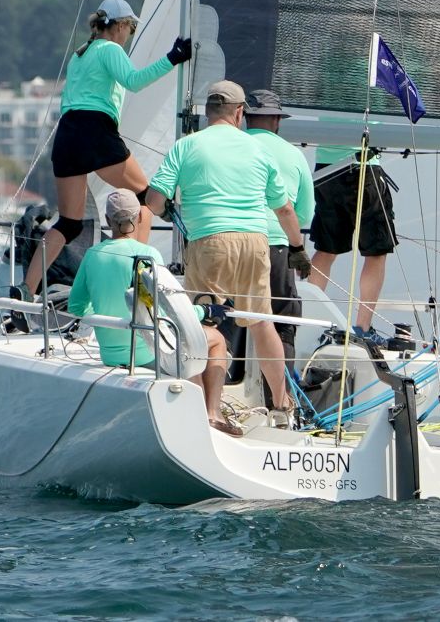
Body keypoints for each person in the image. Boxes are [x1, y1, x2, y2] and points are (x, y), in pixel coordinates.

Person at [144, 80, 303, 436]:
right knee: (261, 322)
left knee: (206, 326)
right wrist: (297, 249)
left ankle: (209, 410)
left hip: (209, 242)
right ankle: (282, 406)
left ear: (207, 112)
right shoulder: (259, 149)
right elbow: (285, 209)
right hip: (255, 242)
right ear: (239, 112)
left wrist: (166, 208)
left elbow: (153, 202)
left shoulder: (186, 146)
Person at [27, 0, 191, 297]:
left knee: (69, 224)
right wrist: (173, 58)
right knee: (145, 200)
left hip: (67, 135)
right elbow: (134, 81)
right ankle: (135, 281)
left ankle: (26, 289)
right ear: (119, 25)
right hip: (95, 130)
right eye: (130, 27)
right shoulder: (110, 49)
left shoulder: (80, 53)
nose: (129, 34)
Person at [245, 89, 314, 402]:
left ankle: (220, 399)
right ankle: (280, 401)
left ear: (244, 117)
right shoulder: (293, 155)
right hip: (277, 246)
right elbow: (303, 214)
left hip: (232, 241)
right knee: (283, 322)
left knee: (226, 317)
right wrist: (298, 248)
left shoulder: (234, 146)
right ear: (276, 120)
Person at [307, 153, 398, 342]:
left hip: (326, 167)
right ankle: (362, 329)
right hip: (364, 163)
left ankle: (310, 322)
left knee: (325, 249)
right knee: (376, 252)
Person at [65, 190, 159, 371]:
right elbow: (164, 310)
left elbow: (75, 306)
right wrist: (205, 311)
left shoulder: (92, 254)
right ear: (140, 217)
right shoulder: (149, 254)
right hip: (147, 356)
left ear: (108, 220)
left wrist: (101, 315)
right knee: (211, 343)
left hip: (109, 357)